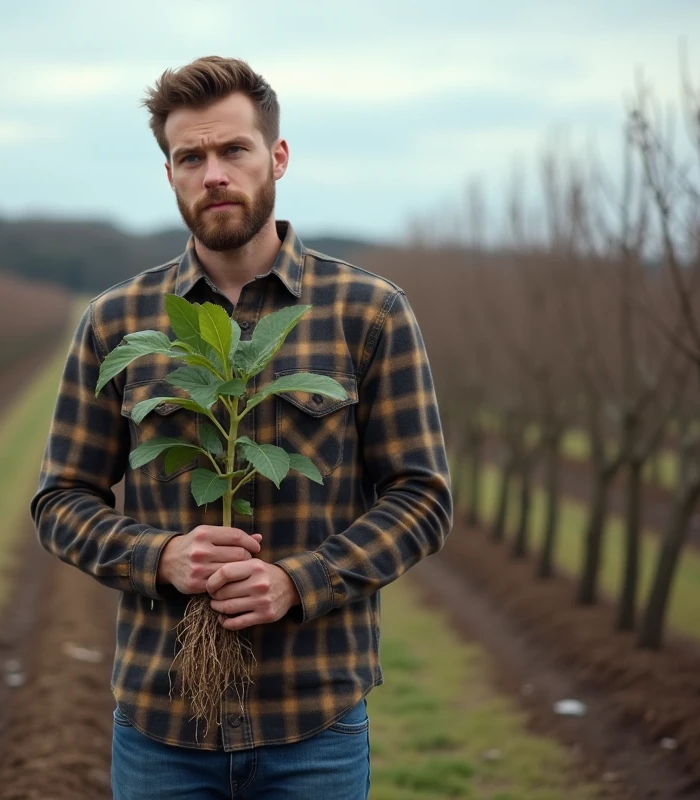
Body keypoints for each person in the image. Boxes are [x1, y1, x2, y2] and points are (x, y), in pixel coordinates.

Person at [29, 55, 453, 799]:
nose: (212, 173)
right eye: (189, 156)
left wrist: (300, 580)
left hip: (314, 722)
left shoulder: (367, 313)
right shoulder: (121, 321)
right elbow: (60, 501)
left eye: (234, 150)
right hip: (163, 725)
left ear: (277, 157)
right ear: (169, 174)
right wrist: (159, 556)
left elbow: (422, 498)